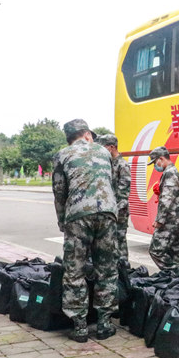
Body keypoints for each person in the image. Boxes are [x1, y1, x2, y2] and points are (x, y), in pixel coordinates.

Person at [52, 119, 118, 342]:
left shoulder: (62, 155)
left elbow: (59, 192)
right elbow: (111, 183)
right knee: (107, 269)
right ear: (87, 134)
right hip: (108, 214)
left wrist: (62, 221)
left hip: (78, 216)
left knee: (75, 270)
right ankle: (104, 323)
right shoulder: (103, 152)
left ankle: (80, 326)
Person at [147, 146, 179, 274]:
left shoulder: (170, 173)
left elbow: (166, 200)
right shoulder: (172, 172)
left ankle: (172, 273)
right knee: (173, 252)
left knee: (155, 250)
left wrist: (160, 220)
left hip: (170, 221)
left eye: (155, 162)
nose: (154, 166)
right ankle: (177, 282)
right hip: (176, 219)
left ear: (161, 159)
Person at [96, 134, 131, 262]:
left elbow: (124, 193)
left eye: (104, 147)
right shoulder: (108, 164)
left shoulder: (122, 165)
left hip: (119, 211)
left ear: (111, 147)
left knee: (120, 239)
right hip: (110, 209)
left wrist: (115, 211)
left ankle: (123, 267)